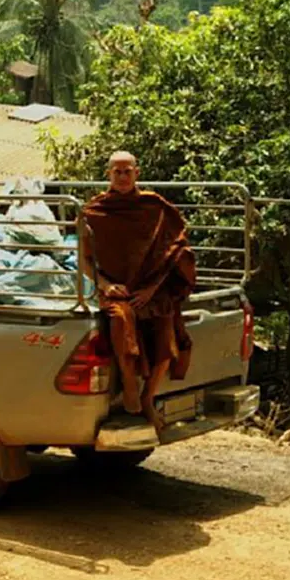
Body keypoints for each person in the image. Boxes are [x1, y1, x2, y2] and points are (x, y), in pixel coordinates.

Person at [79, 151, 197, 434]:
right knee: (121, 319)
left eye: (127, 171)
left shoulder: (154, 206)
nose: (122, 177)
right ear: (108, 174)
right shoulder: (93, 212)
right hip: (114, 288)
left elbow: (175, 251)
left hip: (151, 287)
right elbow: (84, 260)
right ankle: (130, 383)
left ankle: (148, 396)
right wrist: (105, 285)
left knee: (166, 327)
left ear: (137, 173)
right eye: (117, 172)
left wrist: (150, 289)